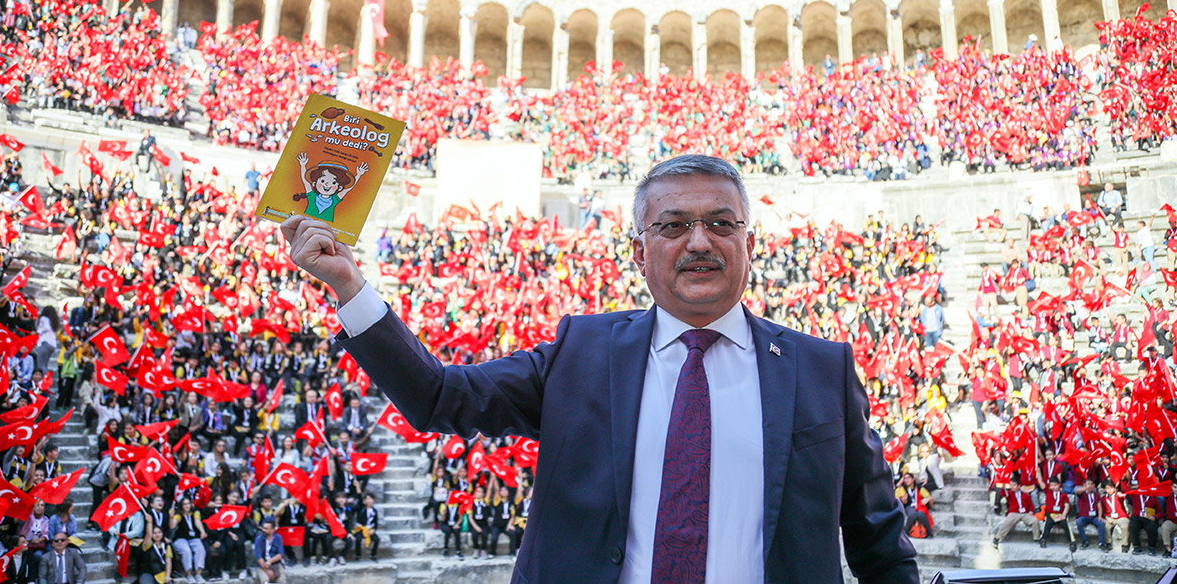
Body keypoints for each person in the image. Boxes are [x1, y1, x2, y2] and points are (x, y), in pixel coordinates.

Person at [282, 154, 918, 582]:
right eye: (673, 225)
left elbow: (877, 537)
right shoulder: (579, 353)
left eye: (720, 223)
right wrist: (349, 286)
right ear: (639, 251)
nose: (699, 241)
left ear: (749, 244)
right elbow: (438, 395)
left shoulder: (820, 368)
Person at [993, 478, 1040, 546]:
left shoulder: (1025, 495)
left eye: (1014, 485)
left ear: (1019, 486)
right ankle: (998, 537)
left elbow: (1030, 505)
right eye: (1011, 485)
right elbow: (1003, 494)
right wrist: (1003, 487)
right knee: (1007, 522)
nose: (1012, 486)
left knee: (1034, 520)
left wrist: (1031, 511)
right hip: (1014, 512)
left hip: (1024, 513)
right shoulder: (1009, 494)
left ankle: (1037, 538)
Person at [254, 519, 286, 584]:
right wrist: (267, 570)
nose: (263, 530)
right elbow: (258, 557)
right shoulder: (259, 539)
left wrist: (270, 561)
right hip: (262, 566)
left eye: (266, 529)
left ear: (272, 530)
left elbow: (280, 554)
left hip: (276, 564)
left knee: (282, 581)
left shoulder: (278, 538)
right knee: (265, 581)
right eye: (263, 528)